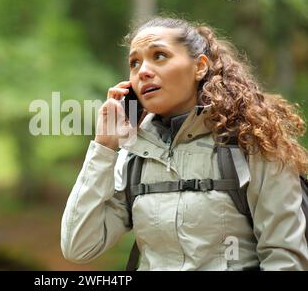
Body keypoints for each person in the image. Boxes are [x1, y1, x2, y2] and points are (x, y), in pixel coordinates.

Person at [60, 16, 308, 270]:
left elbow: (285, 259)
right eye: (135, 63)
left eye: (159, 56)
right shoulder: (133, 156)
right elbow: (78, 246)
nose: (143, 71)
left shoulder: (252, 143)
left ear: (200, 67)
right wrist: (104, 147)